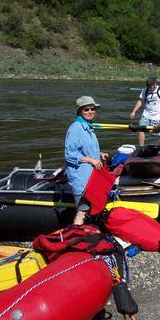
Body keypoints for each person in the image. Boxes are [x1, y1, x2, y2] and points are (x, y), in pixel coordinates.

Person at [64, 96, 108, 225]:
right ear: (80, 112)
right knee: (82, 209)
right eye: (86, 109)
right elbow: (70, 154)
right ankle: (75, 234)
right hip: (81, 177)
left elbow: (83, 148)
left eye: (92, 109)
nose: (90, 112)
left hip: (92, 176)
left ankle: (87, 232)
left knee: (91, 208)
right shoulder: (76, 128)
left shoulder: (88, 127)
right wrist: (91, 160)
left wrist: (99, 154)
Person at [130, 76, 160, 146]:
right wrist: (134, 111)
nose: (150, 88)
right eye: (149, 86)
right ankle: (141, 147)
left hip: (157, 117)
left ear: (155, 84)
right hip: (146, 115)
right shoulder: (145, 90)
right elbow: (140, 101)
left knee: (158, 135)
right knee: (140, 129)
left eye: (151, 86)